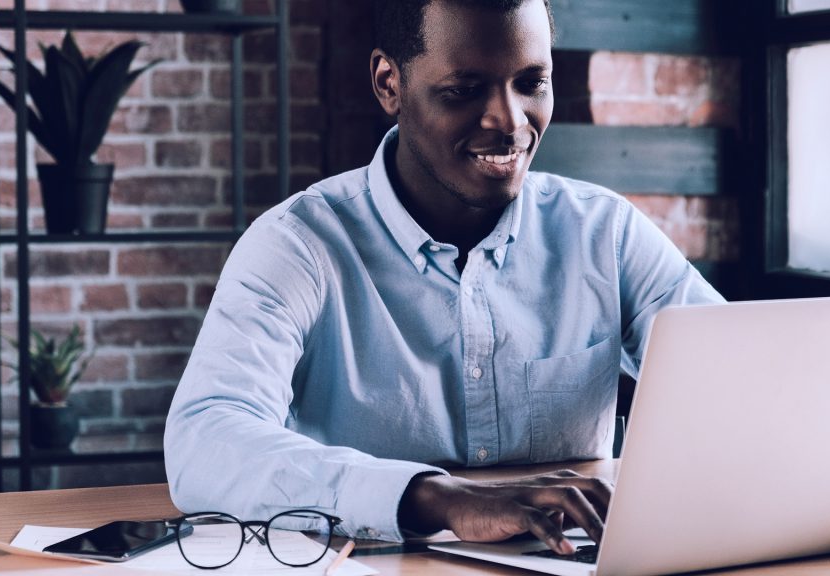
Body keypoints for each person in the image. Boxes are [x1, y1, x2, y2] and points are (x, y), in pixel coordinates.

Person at [164, 0, 724, 557]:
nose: (509, 122)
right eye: (464, 90)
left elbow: (742, 382)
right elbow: (205, 441)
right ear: (390, 84)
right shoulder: (298, 244)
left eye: (532, 83)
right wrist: (439, 499)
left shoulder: (607, 234)